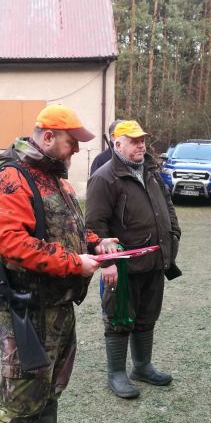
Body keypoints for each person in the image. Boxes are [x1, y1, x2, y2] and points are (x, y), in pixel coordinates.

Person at [0, 104, 119, 423]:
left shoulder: (52, 177)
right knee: (20, 401)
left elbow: (65, 228)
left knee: (49, 388)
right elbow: (11, 244)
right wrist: (74, 263)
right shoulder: (10, 177)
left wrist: (95, 243)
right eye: (71, 141)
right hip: (26, 310)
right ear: (46, 137)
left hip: (57, 304)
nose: (76, 149)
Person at [85, 120, 181, 399]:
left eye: (142, 140)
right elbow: (94, 227)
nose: (141, 145)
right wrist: (107, 263)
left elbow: (167, 205)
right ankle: (116, 374)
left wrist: (173, 233)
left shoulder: (151, 171)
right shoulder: (104, 178)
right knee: (119, 318)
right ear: (117, 144)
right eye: (134, 140)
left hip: (155, 260)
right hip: (124, 267)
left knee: (147, 315)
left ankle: (142, 367)